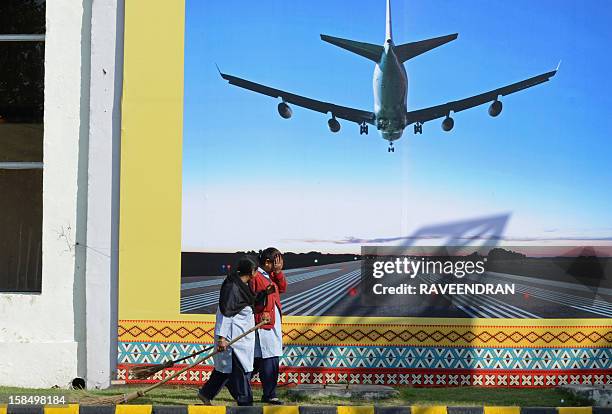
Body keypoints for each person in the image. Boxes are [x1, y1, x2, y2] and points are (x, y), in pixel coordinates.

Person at [198, 256, 271, 406]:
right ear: (252, 271)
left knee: (224, 370)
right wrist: (222, 338)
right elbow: (226, 313)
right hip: (233, 339)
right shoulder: (232, 288)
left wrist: (264, 294)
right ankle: (246, 403)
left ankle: (206, 393)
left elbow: (249, 302)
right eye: (256, 270)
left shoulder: (242, 285)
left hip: (241, 337)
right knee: (242, 370)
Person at [250, 247, 287, 405]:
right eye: (276, 262)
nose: (279, 265)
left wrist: (278, 273)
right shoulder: (257, 277)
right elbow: (252, 299)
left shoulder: (270, 276)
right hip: (264, 323)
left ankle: (237, 386)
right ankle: (269, 394)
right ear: (267, 262)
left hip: (272, 323)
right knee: (270, 358)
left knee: (261, 359)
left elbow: (283, 288)